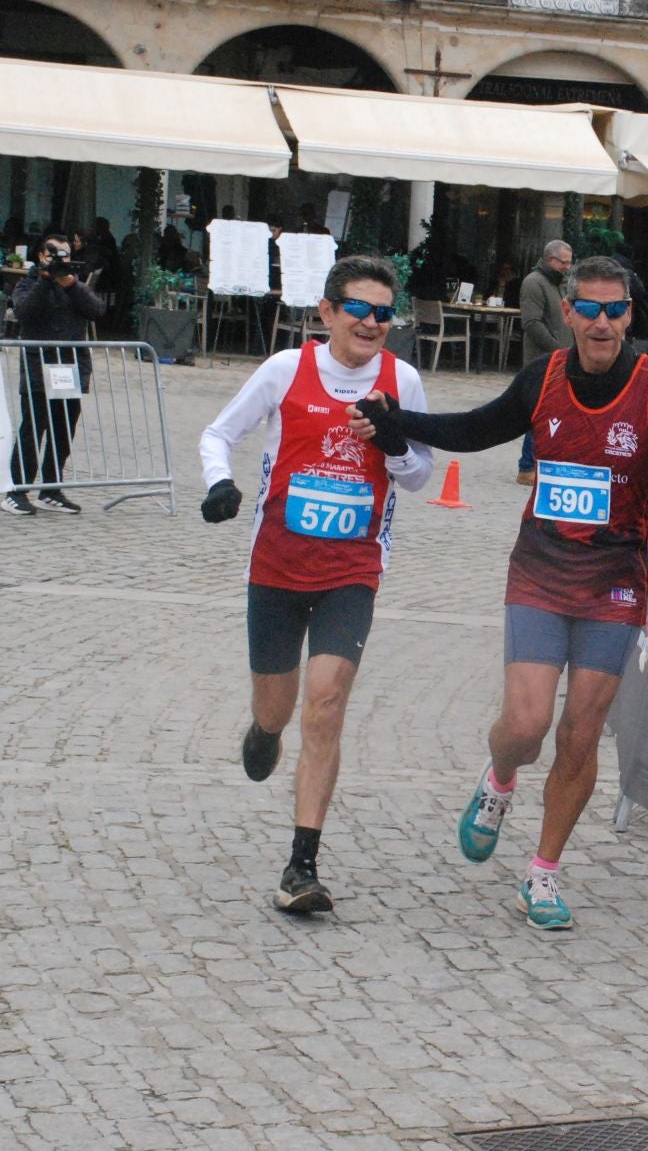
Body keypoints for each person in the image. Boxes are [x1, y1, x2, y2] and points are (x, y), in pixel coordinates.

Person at [352, 256, 648, 931]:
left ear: (629, 314)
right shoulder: (545, 377)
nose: (602, 323)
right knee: (527, 725)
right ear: (567, 313)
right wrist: (403, 424)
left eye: (615, 310)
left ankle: (542, 872)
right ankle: (499, 779)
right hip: (540, 569)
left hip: (616, 582)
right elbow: (479, 427)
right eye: (589, 309)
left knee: (580, 733)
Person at [197, 255, 435, 914]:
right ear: (327, 312)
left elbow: (420, 474)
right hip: (275, 566)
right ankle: (263, 730)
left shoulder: (402, 380)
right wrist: (221, 484)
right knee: (278, 708)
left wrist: (390, 441)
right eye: (357, 309)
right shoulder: (285, 369)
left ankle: (301, 864)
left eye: (384, 313)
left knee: (325, 704)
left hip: (351, 572)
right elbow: (218, 434)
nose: (371, 323)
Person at [1, 236, 107, 516]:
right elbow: (24, 312)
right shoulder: (28, 283)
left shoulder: (76, 284)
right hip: (39, 367)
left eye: (65, 254)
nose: (60, 260)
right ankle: (16, 490)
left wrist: (70, 284)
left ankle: (51, 488)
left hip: (69, 369)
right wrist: (46, 280)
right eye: (53, 254)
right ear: (40, 256)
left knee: (63, 430)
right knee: (33, 430)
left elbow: (96, 310)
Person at [515, 239, 574, 485]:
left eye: (570, 263)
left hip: (562, 359)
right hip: (543, 361)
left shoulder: (560, 284)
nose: (568, 267)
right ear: (550, 259)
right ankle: (527, 466)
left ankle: (546, 462)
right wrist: (557, 350)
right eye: (564, 262)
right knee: (540, 411)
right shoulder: (534, 282)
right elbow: (532, 323)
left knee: (556, 411)